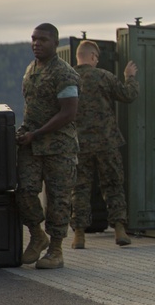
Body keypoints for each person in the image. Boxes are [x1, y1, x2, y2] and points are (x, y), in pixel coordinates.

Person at [16, 23, 80, 270]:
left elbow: (69, 112)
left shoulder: (64, 74)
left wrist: (38, 133)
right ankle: (37, 235)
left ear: (55, 43)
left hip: (58, 148)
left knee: (58, 199)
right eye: (33, 39)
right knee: (25, 191)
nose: (36, 44)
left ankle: (56, 250)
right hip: (32, 145)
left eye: (42, 40)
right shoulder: (31, 69)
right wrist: (25, 132)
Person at [69, 40, 139, 249]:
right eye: (96, 57)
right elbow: (128, 95)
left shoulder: (68, 78)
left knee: (80, 189)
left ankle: (79, 235)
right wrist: (130, 77)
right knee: (113, 186)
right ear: (92, 57)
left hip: (79, 145)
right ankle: (119, 230)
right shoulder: (104, 76)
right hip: (106, 143)